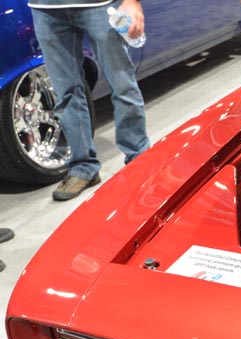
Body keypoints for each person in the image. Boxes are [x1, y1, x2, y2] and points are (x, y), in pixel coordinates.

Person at [29, 0, 150, 201]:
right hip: (46, 9)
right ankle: (83, 167)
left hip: (100, 5)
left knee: (122, 85)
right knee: (66, 93)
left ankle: (139, 157)